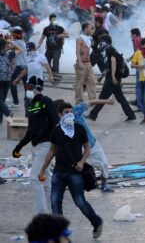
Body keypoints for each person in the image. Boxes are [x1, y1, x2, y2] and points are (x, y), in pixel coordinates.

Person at [38, 102, 103, 239]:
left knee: (80, 202)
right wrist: (42, 169)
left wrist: (81, 162)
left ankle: (97, 222)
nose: (70, 114)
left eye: (71, 112)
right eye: (66, 112)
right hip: (59, 172)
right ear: (60, 114)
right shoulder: (56, 130)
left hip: (75, 172)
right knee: (55, 202)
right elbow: (52, 151)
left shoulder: (79, 128)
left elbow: (87, 147)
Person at [12, 77, 58, 213]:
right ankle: (52, 211)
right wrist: (19, 146)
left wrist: (59, 144)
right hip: (36, 147)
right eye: (26, 87)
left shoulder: (47, 102)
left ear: (38, 88)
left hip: (47, 145)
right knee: (46, 178)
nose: (27, 90)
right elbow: (31, 131)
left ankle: (42, 213)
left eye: (30, 87)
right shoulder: (32, 106)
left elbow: (56, 122)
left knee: (34, 177)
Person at [88, 35, 136, 122]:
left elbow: (113, 62)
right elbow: (109, 65)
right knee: (120, 98)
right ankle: (131, 115)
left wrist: (113, 76)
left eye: (100, 41)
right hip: (114, 76)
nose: (99, 43)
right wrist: (102, 76)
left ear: (104, 42)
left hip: (112, 78)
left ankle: (93, 115)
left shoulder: (109, 49)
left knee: (103, 97)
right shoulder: (110, 49)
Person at [74, 22, 96, 104]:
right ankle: (79, 101)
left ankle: (93, 100)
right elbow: (77, 52)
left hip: (88, 63)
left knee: (92, 82)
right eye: (89, 28)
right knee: (79, 83)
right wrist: (79, 62)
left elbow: (94, 30)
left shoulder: (89, 39)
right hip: (81, 63)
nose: (91, 30)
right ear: (85, 29)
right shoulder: (80, 39)